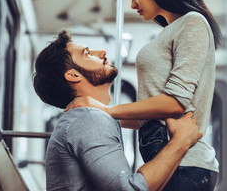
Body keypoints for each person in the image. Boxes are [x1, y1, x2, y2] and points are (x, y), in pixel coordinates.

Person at [66, 0, 223, 190]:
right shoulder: (173, 30)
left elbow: (175, 103)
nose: (132, 4)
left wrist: (106, 109)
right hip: (175, 161)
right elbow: (152, 117)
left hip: (186, 164)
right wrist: (97, 115)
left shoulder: (193, 23)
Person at [33, 30, 203, 191]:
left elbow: (141, 118)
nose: (102, 52)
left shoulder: (84, 118)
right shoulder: (88, 120)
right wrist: (182, 140)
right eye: (87, 53)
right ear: (73, 75)